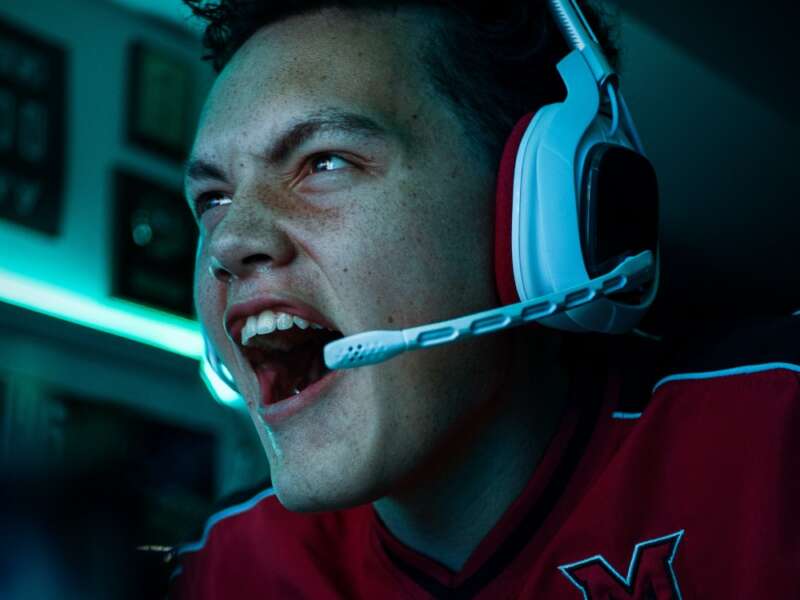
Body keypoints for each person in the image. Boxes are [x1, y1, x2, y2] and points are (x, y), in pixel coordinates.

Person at [170, 0, 800, 597]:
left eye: (325, 162)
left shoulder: (776, 433)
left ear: (534, 212)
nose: (228, 242)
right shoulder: (221, 569)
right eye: (213, 199)